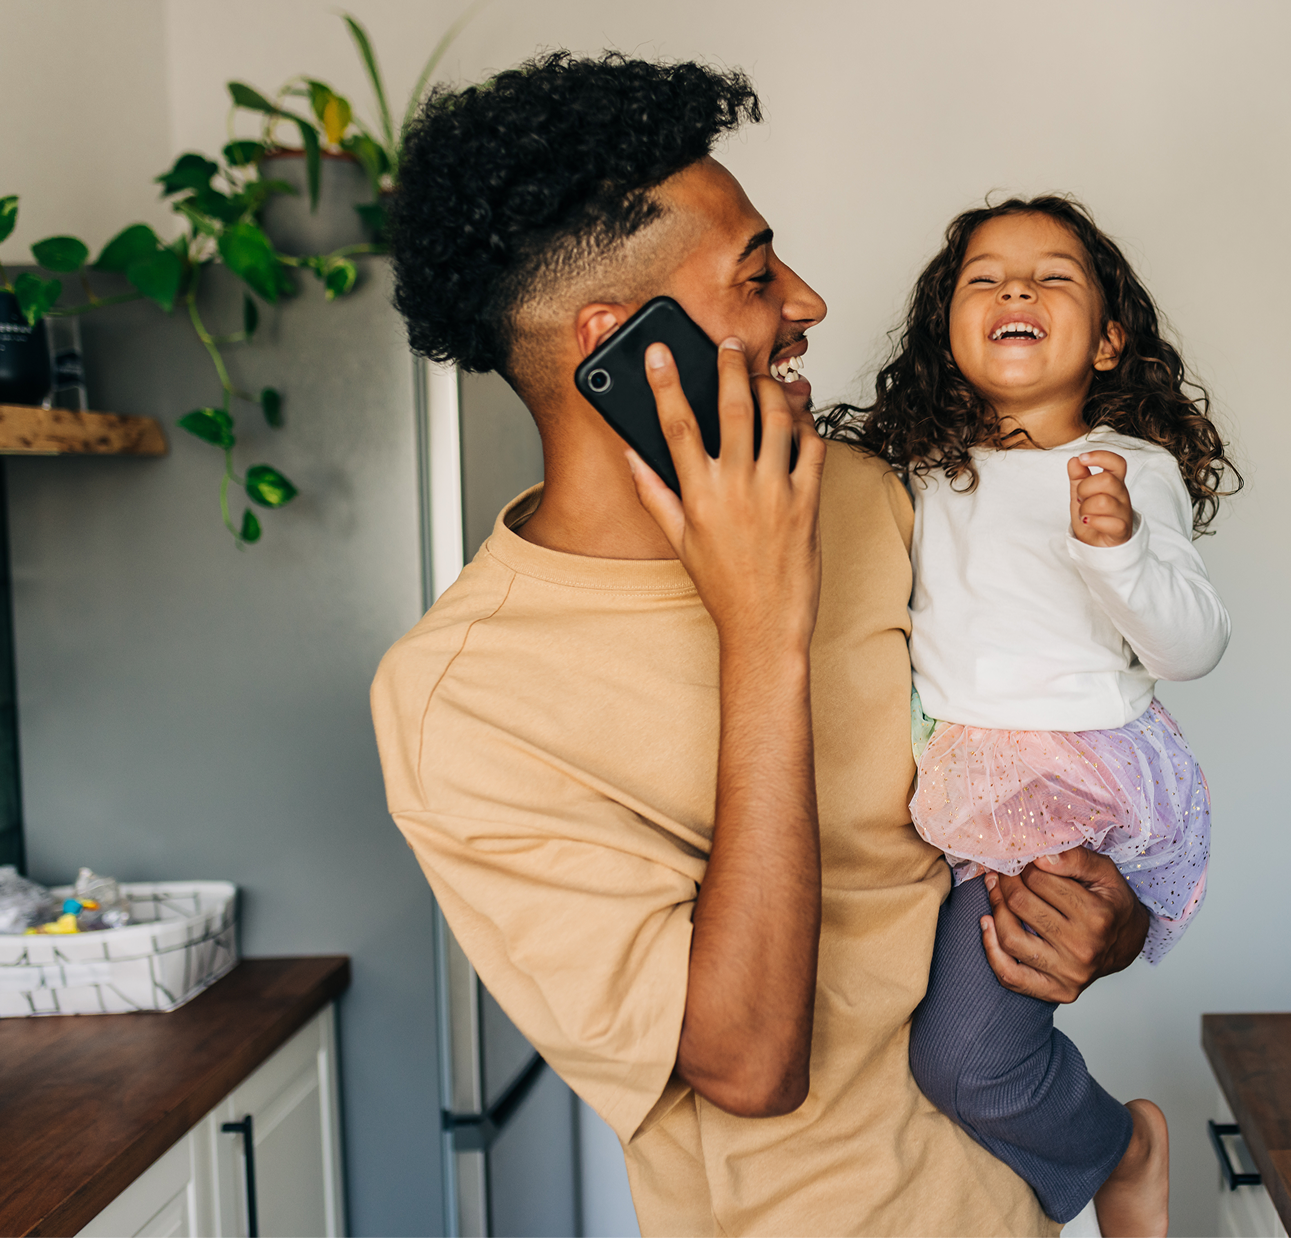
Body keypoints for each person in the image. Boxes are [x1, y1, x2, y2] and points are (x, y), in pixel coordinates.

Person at [370, 53, 1156, 1236]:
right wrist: (762, 626)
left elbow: (1061, 746)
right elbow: (743, 1063)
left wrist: (1112, 915)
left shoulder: (868, 497)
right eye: (753, 275)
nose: (807, 300)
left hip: (1022, 1202)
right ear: (625, 344)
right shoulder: (460, 702)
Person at [821, 197, 1235, 1238]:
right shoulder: (919, 470)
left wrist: (1118, 549)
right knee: (913, 1035)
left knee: (965, 1059)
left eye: (1052, 276)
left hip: (1066, 781)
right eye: (983, 278)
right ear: (944, 334)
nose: (1015, 289)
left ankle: (1123, 1148)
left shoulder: (1124, 470)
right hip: (954, 776)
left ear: (1106, 339)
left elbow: (1190, 649)